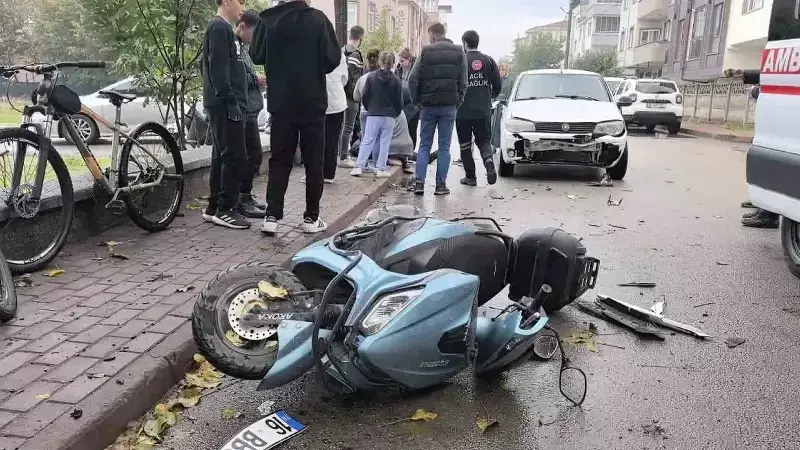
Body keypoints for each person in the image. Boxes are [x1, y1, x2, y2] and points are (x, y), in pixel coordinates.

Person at [248, 0, 341, 236]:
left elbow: (256, 55)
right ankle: (311, 217)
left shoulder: (268, 20)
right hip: (312, 101)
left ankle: (271, 216)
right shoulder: (319, 20)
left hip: (281, 102)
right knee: (314, 160)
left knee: (280, 160)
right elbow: (332, 60)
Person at [201, 0, 249, 230]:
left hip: (222, 103)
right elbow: (217, 69)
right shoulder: (219, 28)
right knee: (235, 156)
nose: (244, 7)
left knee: (221, 156)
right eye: (241, 1)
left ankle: (213, 207)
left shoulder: (222, 29)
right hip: (224, 104)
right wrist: (230, 101)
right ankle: (225, 209)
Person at [408, 22, 468, 196]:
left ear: (432, 35)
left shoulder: (426, 51)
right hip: (449, 106)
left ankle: (419, 183)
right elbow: (464, 82)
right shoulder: (459, 52)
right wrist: (458, 100)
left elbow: (412, 78)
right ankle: (440, 186)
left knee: (424, 145)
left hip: (428, 106)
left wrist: (416, 101)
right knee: (444, 147)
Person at [456, 30, 502, 187]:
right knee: (483, 141)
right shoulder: (488, 61)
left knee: (465, 145)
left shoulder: (461, 60)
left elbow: (455, 84)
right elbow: (498, 85)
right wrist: (490, 97)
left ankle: (471, 177)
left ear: (465, 43)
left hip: (463, 110)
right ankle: (488, 162)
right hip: (483, 110)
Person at [234, 10, 267, 219]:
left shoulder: (243, 48)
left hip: (251, 109)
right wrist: (256, 80)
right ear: (243, 26)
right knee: (250, 155)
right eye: (254, 34)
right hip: (243, 110)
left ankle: (244, 196)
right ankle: (240, 199)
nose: (254, 39)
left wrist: (256, 78)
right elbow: (236, 77)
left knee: (253, 155)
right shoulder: (234, 47)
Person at [351, 51, 402, 178]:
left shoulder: (371, 77)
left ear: (380, 61)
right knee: (385, 142)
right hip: (390, 115)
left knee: (368, 140)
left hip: (373, 112)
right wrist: (396, 112)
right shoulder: (396, 79)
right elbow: (399, 100)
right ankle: (381, 168)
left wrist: (370, 108)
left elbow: (365, 95)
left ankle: (359, 166)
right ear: (393, 63)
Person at [339, 26, 366, 169]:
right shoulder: (356, 54)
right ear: (360, 38)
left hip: (338, 94)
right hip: (351, 96)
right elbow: (355, 77)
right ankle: (344, 156)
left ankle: (339, 154)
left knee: (340, 127)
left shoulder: (340, 51)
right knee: (348, 127)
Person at [322, 52, 349, 182]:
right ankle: (329, 174)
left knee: (316, 140)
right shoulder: (339, 54)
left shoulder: (312, 49)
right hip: (337, 102)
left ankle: (316, 172)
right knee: (333, 139)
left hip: (319, 102)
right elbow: (344, 78)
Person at [396, 49, 419, 150]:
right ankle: (401, 149)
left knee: (411, 128)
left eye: (402, 61)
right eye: (400, 61)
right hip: (401, 103)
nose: (400, 63)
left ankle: (411, 150)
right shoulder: (398, 69)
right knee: (401, 129)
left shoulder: (416, 69)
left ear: (409, 59)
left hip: (413, 104)